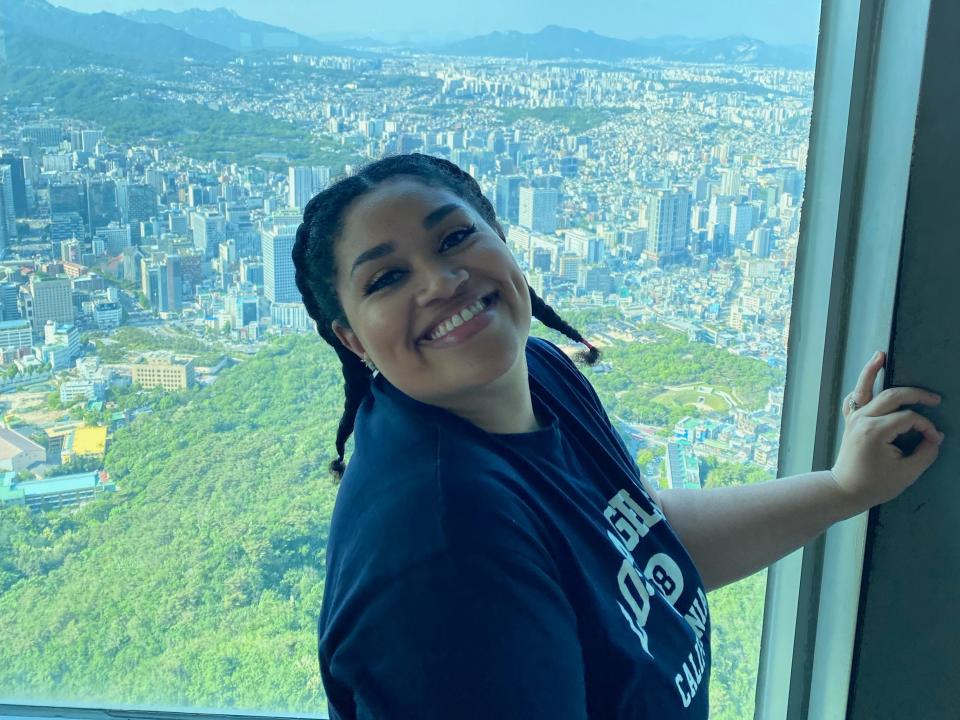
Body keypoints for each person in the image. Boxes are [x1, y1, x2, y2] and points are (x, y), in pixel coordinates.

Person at [291, 153, 944, 719]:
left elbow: (637, 541)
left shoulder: (539, 374)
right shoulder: (440, 546)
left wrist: (842, 488)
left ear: (504, 241)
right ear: (352, 340)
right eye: (386, 278)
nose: (440, 280)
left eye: (456, 237)